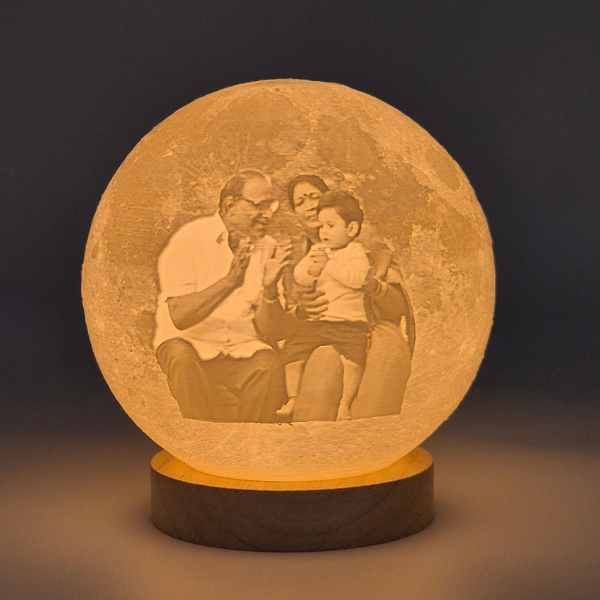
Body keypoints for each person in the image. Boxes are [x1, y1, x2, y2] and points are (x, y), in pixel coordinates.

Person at [153, 170, 290, 423]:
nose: (268, 214)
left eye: (271, 206)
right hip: (189, 342)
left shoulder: (269, 247)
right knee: (181, 360)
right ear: (229, 205)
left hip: (242, 347)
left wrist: (270, 290)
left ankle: (250, 443)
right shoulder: (190, 238)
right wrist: (230, 281)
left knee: (269, 366)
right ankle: (197, 442)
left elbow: (270, 332)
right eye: (259, 206)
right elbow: (180, 317)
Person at [277, 174, 415, 421]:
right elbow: (284, 312)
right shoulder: (295, 253)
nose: (310, 206)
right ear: (295, 213)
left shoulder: (364, 243)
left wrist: (373, 286)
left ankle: (365, 431)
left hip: (368, 325)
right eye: (300, 202)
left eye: (314, 197)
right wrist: (300, 309)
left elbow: (398, 305)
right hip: (316, 330)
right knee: (320, 364)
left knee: (380, 361)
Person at [277, 191, 371, 420]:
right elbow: (300, 276)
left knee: (352, 362)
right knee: (292, 353)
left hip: (349, 323)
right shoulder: (318, 250)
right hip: (318, 322)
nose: (324, 232)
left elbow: (357, 279)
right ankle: (293, 398)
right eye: (321, 226)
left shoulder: (355, 252)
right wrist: (311, 271)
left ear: (351, 229)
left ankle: (345, 404)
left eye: (330, 226)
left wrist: (328, 266)